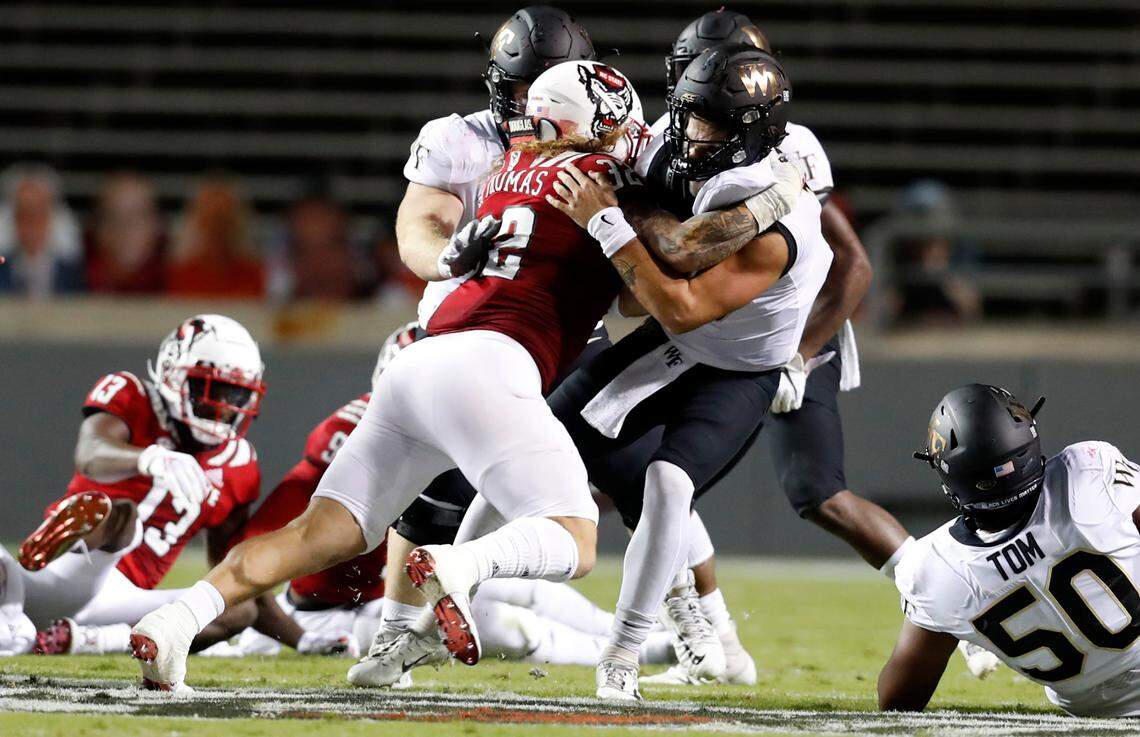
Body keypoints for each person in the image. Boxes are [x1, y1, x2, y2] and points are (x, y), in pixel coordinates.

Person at [362, 4, 788, 689]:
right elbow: (417, 230)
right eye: (524, 92)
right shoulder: (459, 140)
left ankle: (703, 629)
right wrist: (448, 258)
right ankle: (398, 634)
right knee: (433, 490)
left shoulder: (607, 144)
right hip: (462, 328)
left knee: (637, 476)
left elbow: (661, 247)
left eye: (548, 91)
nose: (534, 111)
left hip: (558, 335)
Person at [633, 8, 923, 688]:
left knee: (816, 491)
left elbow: (850, 264)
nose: (694, 98)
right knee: (645, 474)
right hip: (706, 329)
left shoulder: (788, 153)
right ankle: (710, 641)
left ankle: (953, 602)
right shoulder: (668, 133)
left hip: (776, 332)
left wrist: (801, 351)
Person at [542, 46, 832, 700]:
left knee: (669, 485)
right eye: (687, 112)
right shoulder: (683, 151)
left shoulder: (777, 209)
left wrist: (609, 218)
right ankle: (450, 586)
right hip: (674, 343)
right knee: (539, 437)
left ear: (751, 130)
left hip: (734, 363)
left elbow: (683, 300)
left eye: (709, 121)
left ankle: (622, 652)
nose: (690, 132)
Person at [7, 315, 265, 657]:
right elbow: (90, 452)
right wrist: (148, 458)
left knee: (237, 607)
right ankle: (26, 622)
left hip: (128, 599)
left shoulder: (239, 464)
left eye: (234, 397)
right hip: (71, 562)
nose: (220, 409)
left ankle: (82, 641)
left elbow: (231, 569)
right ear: (174, 373)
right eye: (210, 393)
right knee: (116, 513)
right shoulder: (133, 395)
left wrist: (302, 638)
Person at [881, 384, 1140, 718]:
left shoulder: (934, 567)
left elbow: (897, 698)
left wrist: (955, 625)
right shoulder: (1088, 471)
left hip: (1093, 708)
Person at [167, 179, 264, 298]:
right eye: (211, 219)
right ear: (199, 222)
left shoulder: (256, 274)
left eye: (223, 219)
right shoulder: (178, 275)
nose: (217, 229)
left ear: (237, 222)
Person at [0, 163, 84, 297]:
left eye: (39, 213)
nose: (31, 223)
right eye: (23, 214)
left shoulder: (75, 275)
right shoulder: (2, 270)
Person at [85, 172, 166, 295]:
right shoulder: (72, 283)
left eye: (137, 215)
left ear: (157, 225)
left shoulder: (181, 285)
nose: (125, 229)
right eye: (113, 217)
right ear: (97, 227)